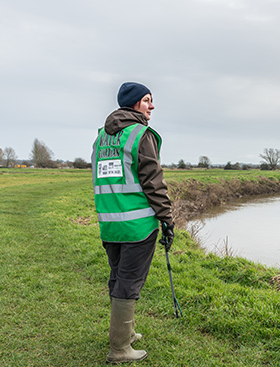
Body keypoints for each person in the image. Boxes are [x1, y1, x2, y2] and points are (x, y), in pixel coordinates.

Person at [91, 82, 174, 364]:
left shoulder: (102, 136)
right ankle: (120, 349)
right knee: (129, 282)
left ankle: (126, 332)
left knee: (118, 277)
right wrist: (166, 218)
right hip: (137, 225)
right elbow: (153, 182)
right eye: (148, 100)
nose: (152, 106)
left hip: (109, 223)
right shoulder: (141, 135)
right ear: (135, 103)